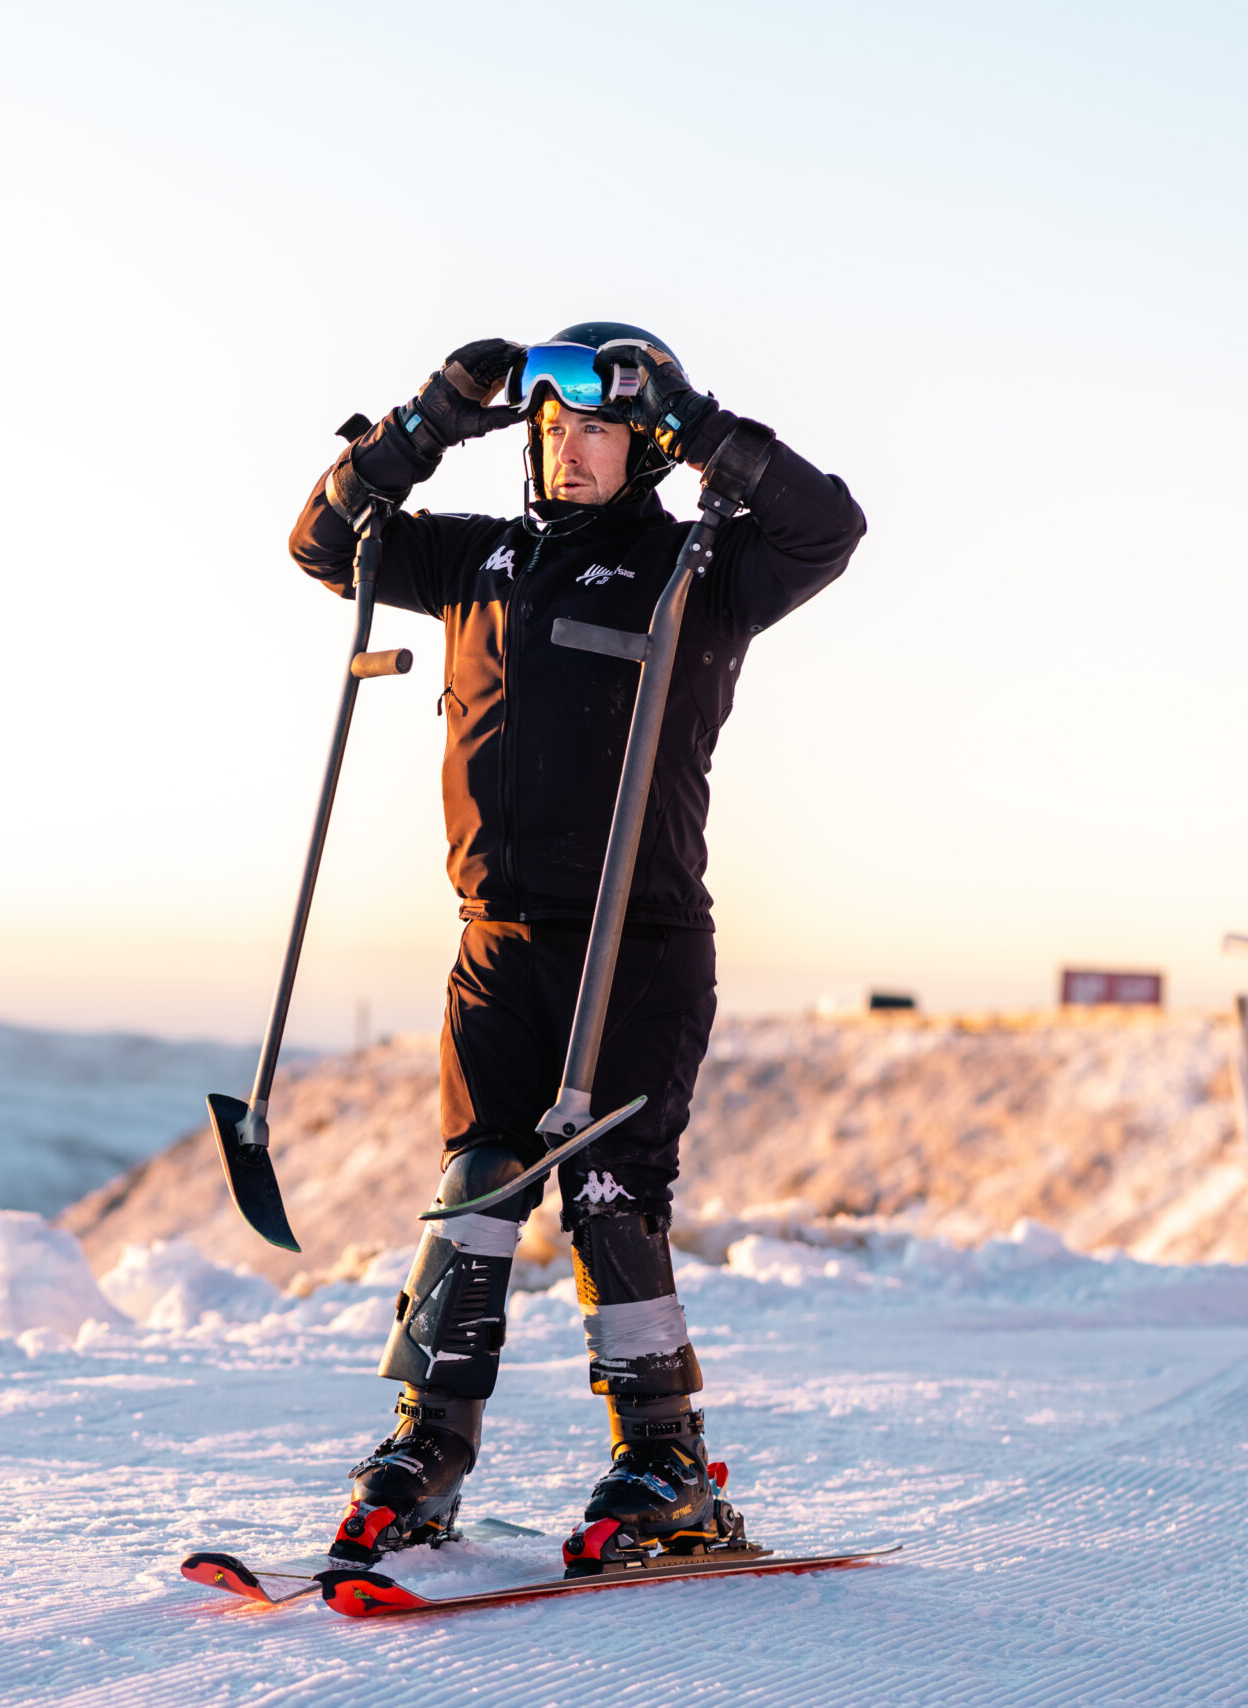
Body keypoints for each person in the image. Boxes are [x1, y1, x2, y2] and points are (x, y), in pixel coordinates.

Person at [286, 324, 866, 1573]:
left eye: (599, 426)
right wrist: (426, 422)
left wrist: (701, 423)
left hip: (637, 943)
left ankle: (662, 1460)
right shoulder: (475, 559)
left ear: (640, 444)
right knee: (478, 1188)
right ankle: (427, 1448)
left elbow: (827, 527)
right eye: (553, 427)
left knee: (609, 1197)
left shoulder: (696, 566)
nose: (570, 448)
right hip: (497, 940)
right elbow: (326, 544)